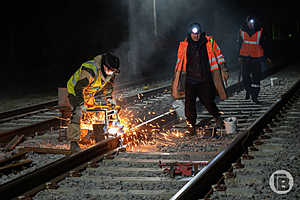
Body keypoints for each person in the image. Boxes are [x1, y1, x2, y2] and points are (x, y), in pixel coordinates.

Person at [174, 22, 229, 135]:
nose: (196, 36)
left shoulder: (208, 42)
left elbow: (219, 55)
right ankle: (191, 126)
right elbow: (179, 63)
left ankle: (217, 117)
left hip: (204, 79)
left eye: (198, 33)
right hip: (190, 80)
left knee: (208, 101)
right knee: (189, 105)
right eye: (194, 34)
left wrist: (224, 69)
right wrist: (177, 79)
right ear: (190, 34)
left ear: (200, 33)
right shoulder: (184, 46)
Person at [66, 53, 120, 151]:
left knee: (91, 112)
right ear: (104, 65)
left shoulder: (111, 72)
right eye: (110, 70)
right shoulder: (90, 69)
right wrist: (81, 104)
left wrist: (109, 99)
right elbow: (79, 88)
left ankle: (86, 134)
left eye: (113, 71)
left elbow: (108, 88)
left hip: (88, 93)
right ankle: (73, 142)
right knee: (78, 111)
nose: (111, 73)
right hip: (75, 91)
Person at [238, 16, 269, 104]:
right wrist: (239, 56)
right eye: (249, 22)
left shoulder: (260, 31)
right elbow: (239, 43)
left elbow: (264, 43)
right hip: (245, 57)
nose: (251, 24)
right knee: (245, 77)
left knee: (256, 78)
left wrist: (266, 56)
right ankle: (249, 90)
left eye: (253, 22)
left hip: (256, 57)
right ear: (247, 23)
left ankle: (255, 96)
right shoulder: (242, 30)